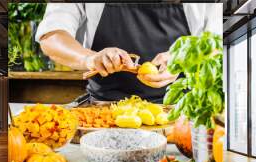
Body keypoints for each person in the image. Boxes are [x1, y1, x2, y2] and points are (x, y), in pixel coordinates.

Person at [36, 3, 222, 103]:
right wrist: (90, 58)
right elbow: (52, 36)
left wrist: (185, 57)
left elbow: (218, 43)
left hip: (180, 113)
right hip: (105, 110)